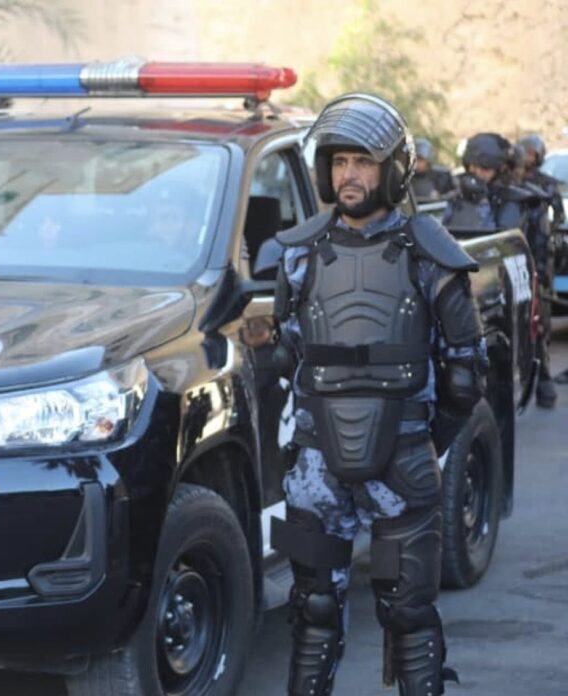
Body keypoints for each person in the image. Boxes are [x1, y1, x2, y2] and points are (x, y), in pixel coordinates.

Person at [271, 93, 481, 695]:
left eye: (363, 162)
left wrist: (418, 439)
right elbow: (289, 356)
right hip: (317, 467)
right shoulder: (299, 255)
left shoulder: (430, 254)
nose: (349, 175)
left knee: (407, 610)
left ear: (392, 170)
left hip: (403, 465)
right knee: (313, 608)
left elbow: (466, 375)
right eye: (339, 162)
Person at [444, 133, 556, 408]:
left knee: (534, 329)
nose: (476, 173)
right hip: (476, 278)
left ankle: (542, 377)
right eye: (472, 167)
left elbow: (539, 244)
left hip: (516, 277)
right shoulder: (458, 200)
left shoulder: (525, 201)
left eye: (484, 168)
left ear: (501, 167)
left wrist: (538, 275)